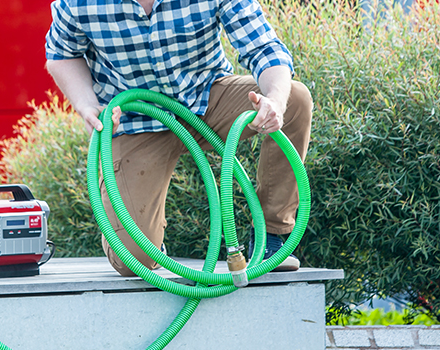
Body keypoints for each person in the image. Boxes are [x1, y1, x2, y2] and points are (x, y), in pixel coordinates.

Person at [44, 0, 313, 276]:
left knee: (294, 99)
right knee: (133, 260)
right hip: (134, 120)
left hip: (206, 99)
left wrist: (275, 101)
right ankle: (151, 244)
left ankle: (271, 238)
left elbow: (263, 48)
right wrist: (87, 105)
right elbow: (61, 54)